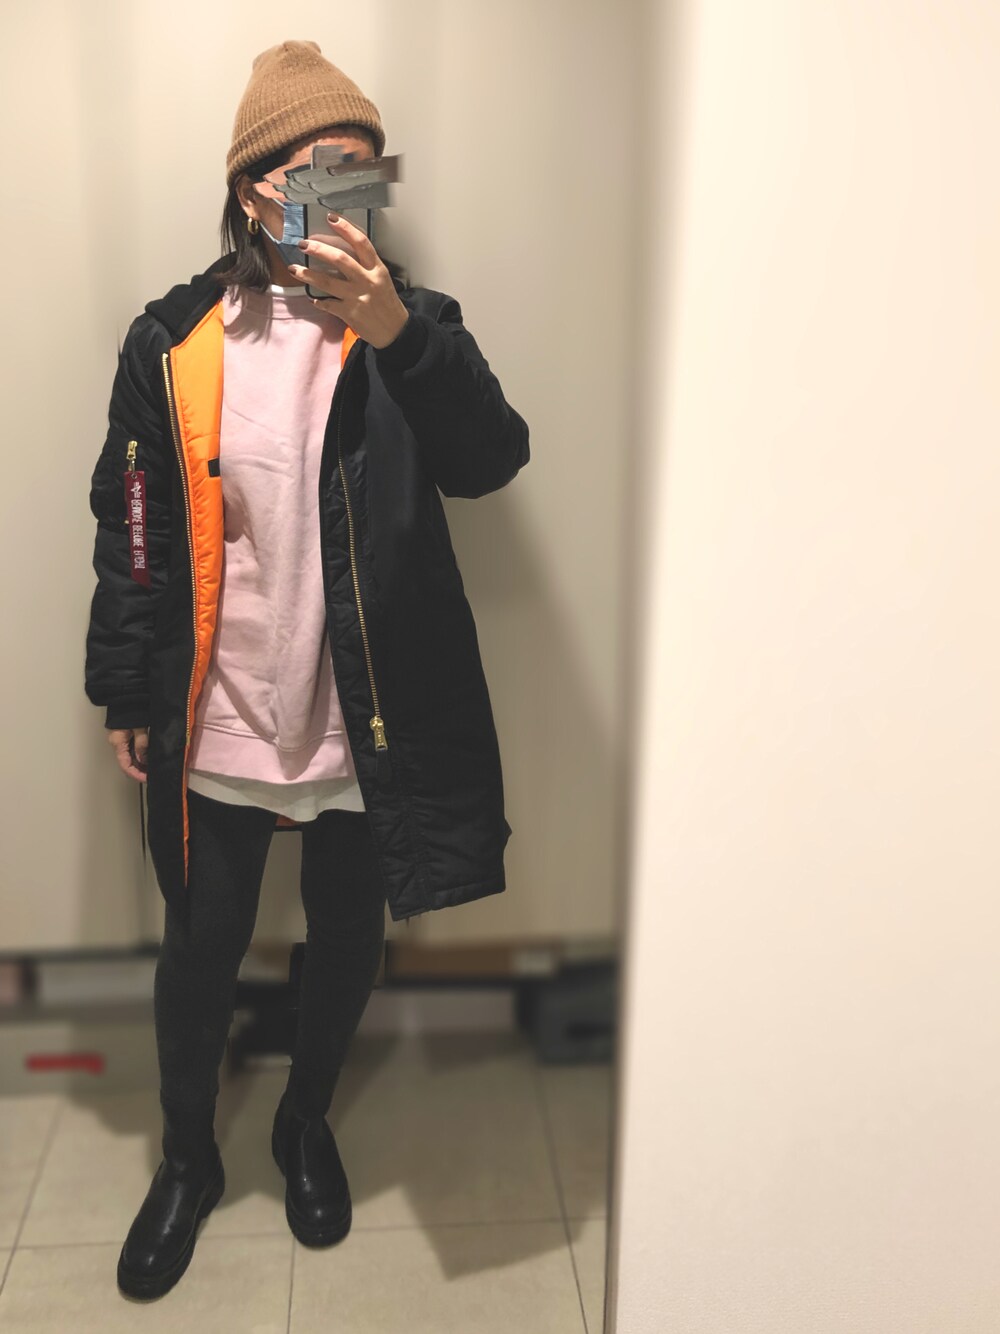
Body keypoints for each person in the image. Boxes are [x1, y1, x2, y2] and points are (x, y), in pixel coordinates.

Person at [83, 40, 529, 1301]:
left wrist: (397, 332)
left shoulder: (410, 327)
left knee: (345, 936)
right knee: (199, 950)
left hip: (363, 716)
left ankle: (304, 1120)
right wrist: (124, 682)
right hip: (216, 706)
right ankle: (187, 1158)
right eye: (319, 169)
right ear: (252, 189)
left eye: (363, 173)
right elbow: (132, 523)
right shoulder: (173, 337)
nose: (344, 195)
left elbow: (491, 458)